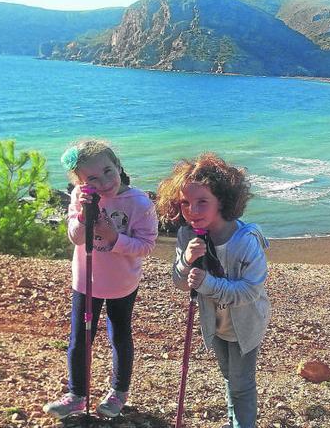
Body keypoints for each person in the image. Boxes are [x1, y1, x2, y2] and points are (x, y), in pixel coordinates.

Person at [43, 140, 158, 419]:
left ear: (118, 165)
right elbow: (75, 237)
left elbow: (146, 245)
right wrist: (83, 216)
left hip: (122, 283)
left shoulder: (140, 203)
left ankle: (119, 392)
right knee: (80, 338)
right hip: (86, 280)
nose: (104, 181)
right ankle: (77, 394)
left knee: (120, 336)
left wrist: (114, 238)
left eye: (108, 171)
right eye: (92, 178)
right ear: (81, 182)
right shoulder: (79, 198)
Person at [157, 153, 271, 428]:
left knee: (242, 384)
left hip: (245, 325)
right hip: (214, 324)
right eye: (185, 203)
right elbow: (180, 282)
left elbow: (250, 291)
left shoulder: (245, 241)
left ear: (223, 200)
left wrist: (208, 283)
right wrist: (186, 260)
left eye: (202, 202)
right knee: (229, 378)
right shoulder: (187, 235)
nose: (191, 210)